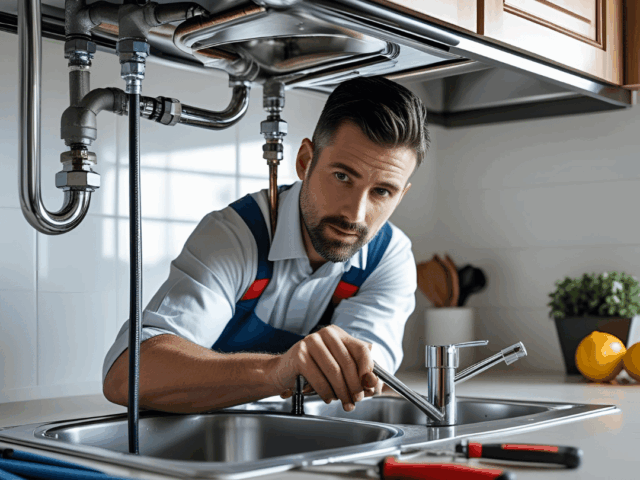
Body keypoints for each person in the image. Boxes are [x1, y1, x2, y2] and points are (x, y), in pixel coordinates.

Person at [102, 75, 429, 414]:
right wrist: (276, 372)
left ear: (400, 195)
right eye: (342, 177)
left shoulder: (388, 257)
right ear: (305, 161)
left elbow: (360, 382)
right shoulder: (235, 236)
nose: (354, 214)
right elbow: (126, 376)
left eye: (382, 191)